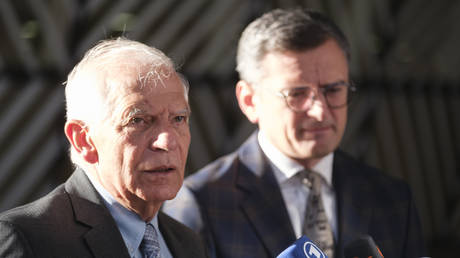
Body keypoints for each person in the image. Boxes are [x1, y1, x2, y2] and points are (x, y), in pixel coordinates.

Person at [163, 8, 426, 258]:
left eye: (333, 90)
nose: (320, 112)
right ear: (249, 101)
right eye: (297, 94)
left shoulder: (392, 198)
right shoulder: (199, 204)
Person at [0, 38, 208, 258]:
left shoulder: (188, 243)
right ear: (83, 140)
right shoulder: (28, 240)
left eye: (178, 119)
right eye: (137, 120)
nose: (167, 142)